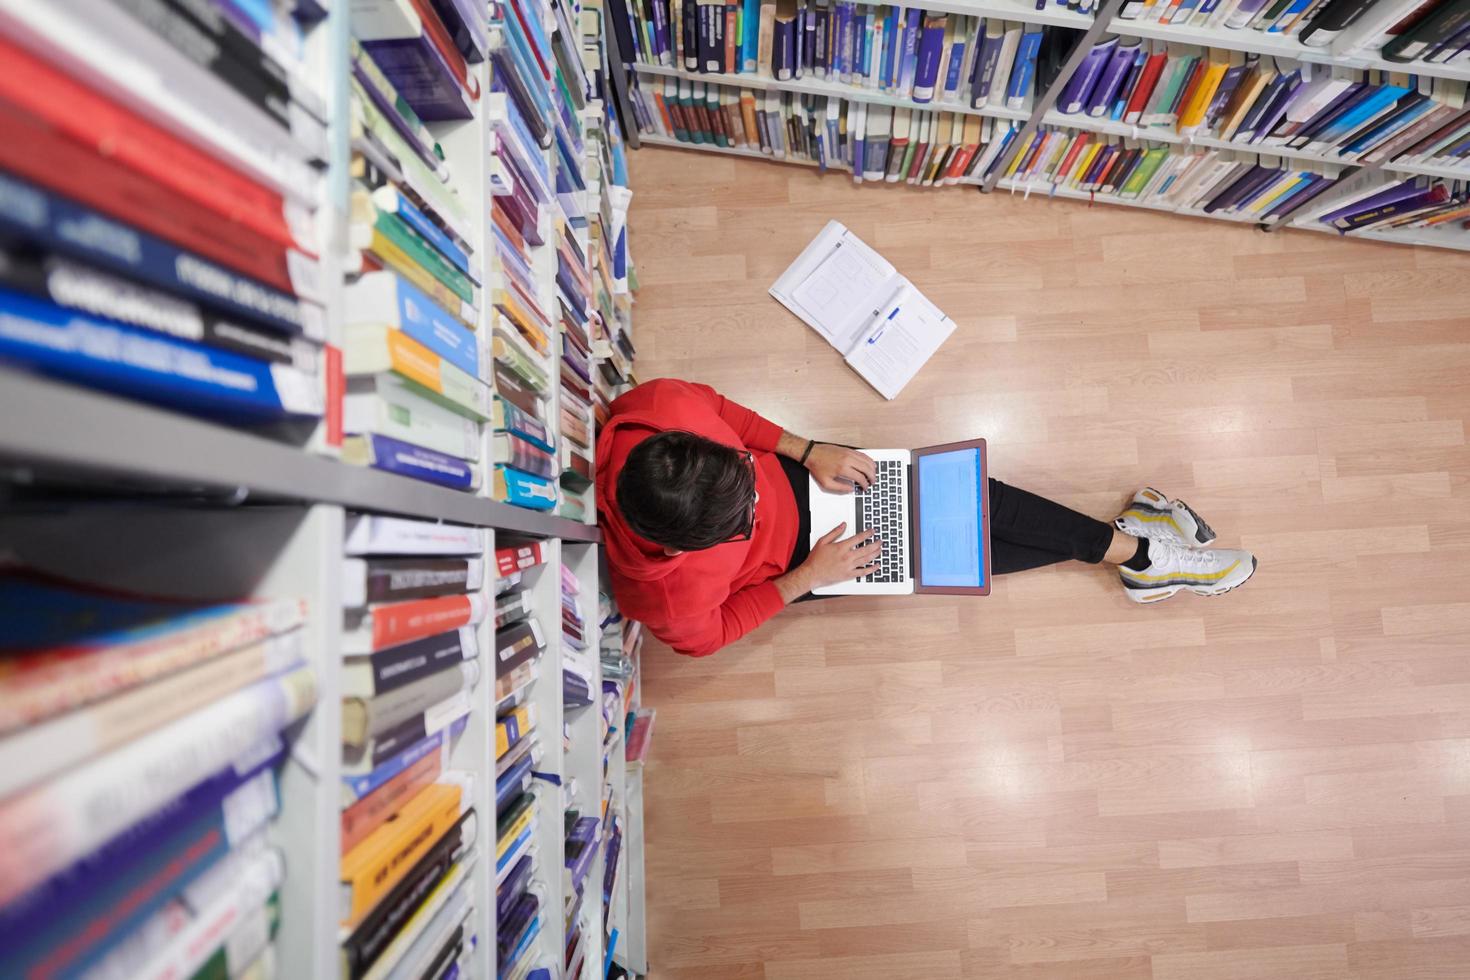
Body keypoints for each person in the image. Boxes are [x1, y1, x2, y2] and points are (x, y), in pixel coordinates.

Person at [596, 379, 1256, 657]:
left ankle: (1133, 552)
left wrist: (804, 450)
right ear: (680, 548)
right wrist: (804, 578)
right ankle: (1138, 553)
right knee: (954, 550)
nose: (756, 504)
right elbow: (713, 631)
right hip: (809, 559)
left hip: (813, 473)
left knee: (974, 501)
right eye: (744, 520)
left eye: (743, 479)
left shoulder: (662, 407)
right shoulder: (661, 597)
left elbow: (724, 411)